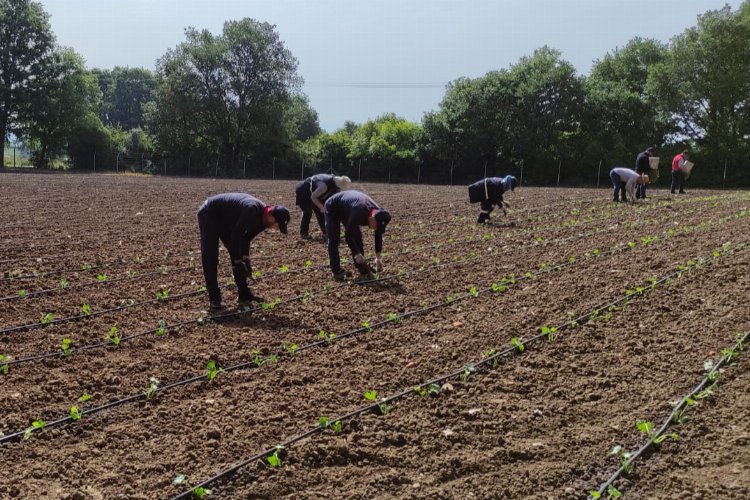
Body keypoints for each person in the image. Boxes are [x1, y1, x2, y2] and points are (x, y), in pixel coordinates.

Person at [197, 193, 290, 310]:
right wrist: (237, 261)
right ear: (271, 215)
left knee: (238, 255)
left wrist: (246, 260)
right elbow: (236, 235)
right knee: (210, 256)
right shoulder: (252, 210)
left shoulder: (264, 221)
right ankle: (215, 299)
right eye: (277, 224)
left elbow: (246, 239)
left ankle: (244, 294)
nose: (275, 228)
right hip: (209, 213)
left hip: (225, 219)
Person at [324, 190, 391, 281]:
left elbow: (378, 232)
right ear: (371, 219)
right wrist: (356, 253)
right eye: (376, 226)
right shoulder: (359, 211)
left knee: (357, 237)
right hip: (333, 206)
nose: (376, 228)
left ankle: (362, 269)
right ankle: (337, 272)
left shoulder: (379, 213)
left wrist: (378, 258)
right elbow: (348, 235)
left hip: (348, 208)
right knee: (334, 239)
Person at [295, 174, 352, 239]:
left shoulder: (334, 182)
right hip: (303, 190)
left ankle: (326, 232)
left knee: (320, 213)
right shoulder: (324, 186)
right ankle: (303, 233)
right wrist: (322, 207)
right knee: (307, 212)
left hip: (314, 191)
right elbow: (313, 197)